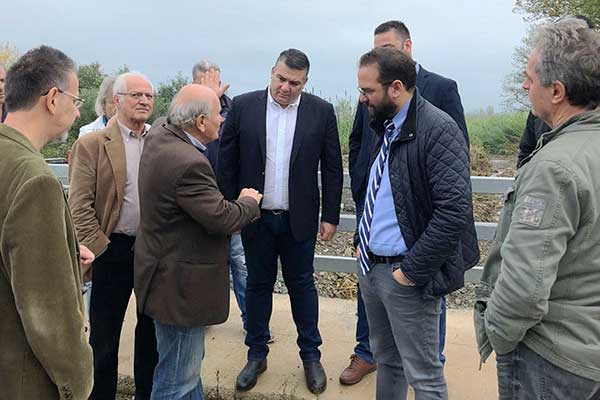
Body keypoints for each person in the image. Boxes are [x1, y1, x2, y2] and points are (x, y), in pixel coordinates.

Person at [475, 17, 600, 399]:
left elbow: (523, 289)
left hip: (551, 361)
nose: (524, 86)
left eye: (530, 79)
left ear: (557, 91)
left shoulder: (554, 168)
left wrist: (497, 334)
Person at [343, 19, 471, 385]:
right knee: (388, 361)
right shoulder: (380, 111)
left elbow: (452, 203)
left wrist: (411, 271)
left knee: (425, 373)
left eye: (367, 90)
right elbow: (362, 149)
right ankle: (367, 354)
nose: (362, 97)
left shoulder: (439, 108)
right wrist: (363, 233)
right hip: (372, 259)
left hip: (411, 263)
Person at [218, 48, 343, 394]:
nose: (287, 88)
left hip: (298, 219)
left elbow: (332, 167)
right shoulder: (244, 107)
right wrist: (230, 211)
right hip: (254, 218)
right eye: (282, 79)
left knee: (302, 286)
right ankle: (256, 354)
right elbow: (226, 162)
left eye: (295, 83)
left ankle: (311, 356)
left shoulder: (321, 111)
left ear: (306, 82)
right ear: (272, 71)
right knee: (257, 285)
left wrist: (330, 215)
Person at [135, 84, 262, 400]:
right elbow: (222, 218)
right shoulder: (187, 163)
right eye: (219, 113)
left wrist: (203, 94)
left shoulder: (160, 134)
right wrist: (248, 201)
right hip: (180, 289)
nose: (223, 119)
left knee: (187, 372)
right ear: (201, 122)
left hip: (161, 276)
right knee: (175, 381)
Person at [0, 45, 93, 399]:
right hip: (22, 378)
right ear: (53, 99)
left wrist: (64, 253)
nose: (77, 110)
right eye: (75, 99)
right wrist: (78, 384)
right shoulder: (35, 179)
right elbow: (47, 312)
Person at [68, 72, 158, 400]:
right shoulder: (92, 144)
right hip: (111, 249)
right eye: (136, 95)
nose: (144, 101)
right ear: (116, 101)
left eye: (149, 96)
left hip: (151, 251)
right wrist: (101, 249)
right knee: (104, 340)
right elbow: (79, 207)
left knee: (150, 335)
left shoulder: (159, 141)